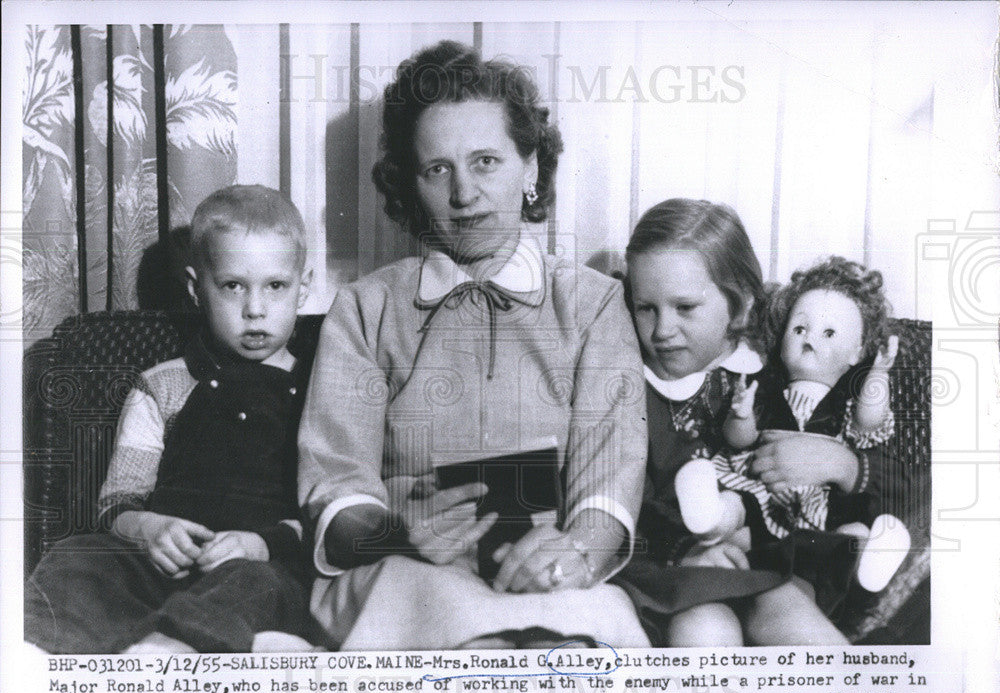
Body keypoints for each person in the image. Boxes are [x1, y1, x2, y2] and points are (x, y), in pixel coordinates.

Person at [298, 40, 648, 650]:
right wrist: (399, 536)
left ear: (531, 167)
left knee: (568, 656)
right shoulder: (365, 308)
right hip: (404, 573)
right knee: (474, 655)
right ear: (410, 184)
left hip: (550, 572)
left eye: (486, 161)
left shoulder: (594, 305)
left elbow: (609, 478)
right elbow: (335, 483)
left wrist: (575, 555)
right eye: (438, 169)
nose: (464, 195)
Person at [24, 185, 315, 654]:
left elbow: (319, 512)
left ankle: (170, 648)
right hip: (160, 565)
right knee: (77, 557)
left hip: (258, 564)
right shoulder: (160, 385)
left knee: (261, 585)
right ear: (194, 287)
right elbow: (116, 505)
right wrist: (150, 529)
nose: (255, 309)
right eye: (232, 286)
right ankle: (32, 656)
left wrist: (264, 544)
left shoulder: (317, 388)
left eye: (276, 286)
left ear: (304, 287)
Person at [615, 198, 851, 647]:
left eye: (685, 307)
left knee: (795, 620)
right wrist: (684, 550)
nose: (662, 329)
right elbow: (620, 489)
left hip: (769, 560)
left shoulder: (772, 374)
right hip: (677, 572)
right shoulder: (629, 386)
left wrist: (844, 464)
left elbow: (851, 447)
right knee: (705, 629)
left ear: (738, 306)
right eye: (646, 308)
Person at [715, 257, 912, 594]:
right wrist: (741, 415)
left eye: (829, 332)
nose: (810, 338)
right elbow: (739, 442)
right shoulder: (763, 389)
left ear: (857, 351)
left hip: (822, 509)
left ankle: (869, 563)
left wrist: (879, 372)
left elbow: (870, 422)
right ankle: (709, 518)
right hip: (763, 496)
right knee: (734, 514)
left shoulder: (847, 403)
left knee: (853, 532)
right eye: (800, 328)